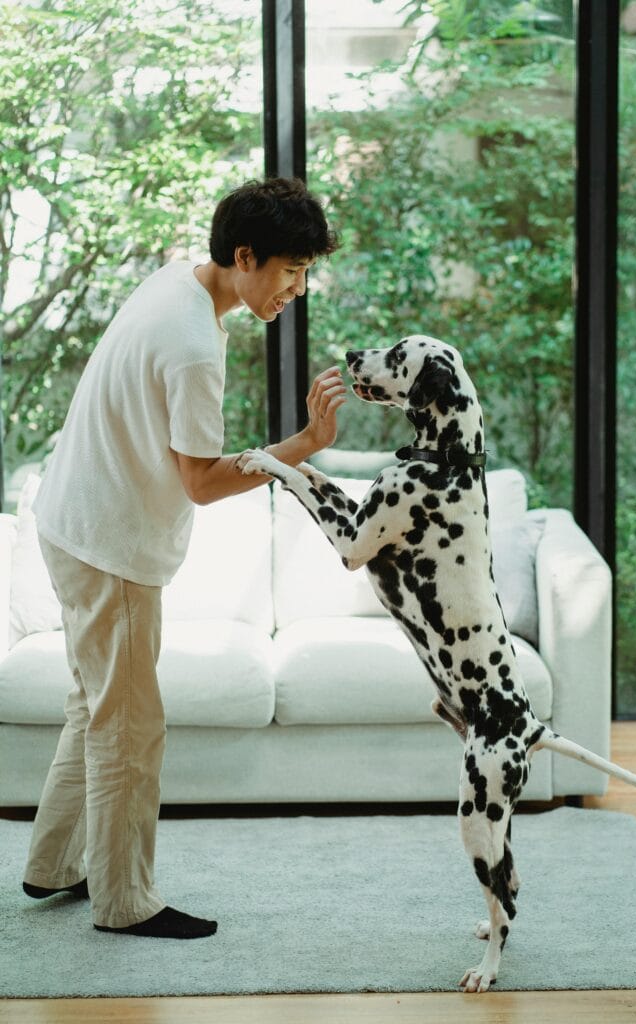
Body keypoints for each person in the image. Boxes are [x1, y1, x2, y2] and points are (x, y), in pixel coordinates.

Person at [23, 177, 344, 939]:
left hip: (69, 519)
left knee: (97, 707)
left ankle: (52, 864)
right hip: (110, 544)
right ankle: (123, 901)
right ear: (243, 256)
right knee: (129, 726)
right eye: (289, 270)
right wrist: (302, 446)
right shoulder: (195, 347)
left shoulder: (177, 282)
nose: (296, 290)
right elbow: (200, 483)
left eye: (305, 273)